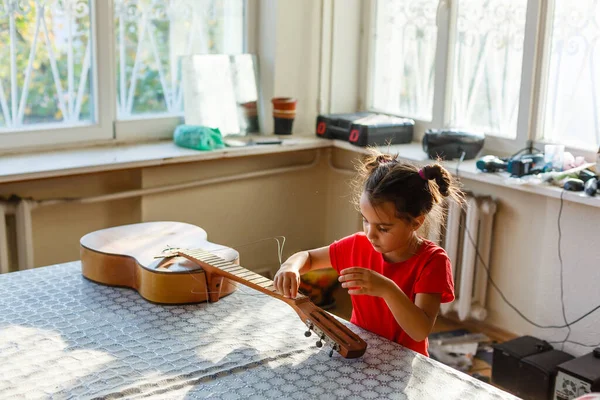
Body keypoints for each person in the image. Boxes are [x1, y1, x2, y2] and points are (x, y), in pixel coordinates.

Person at [273, 150, 464, 356]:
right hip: (357, 351)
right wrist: (290, 267)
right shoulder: (359, 245)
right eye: (365, 220)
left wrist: (387, 289)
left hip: (400, 362)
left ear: (416, 223)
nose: (370, 234)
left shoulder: (432, 261)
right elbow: (308, 258)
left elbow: (420, 331)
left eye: (383, 228)